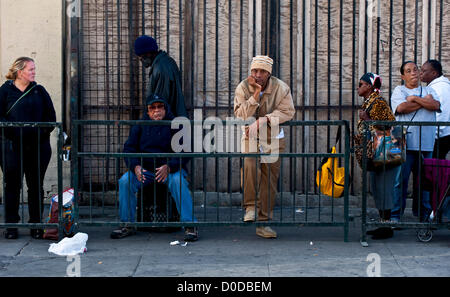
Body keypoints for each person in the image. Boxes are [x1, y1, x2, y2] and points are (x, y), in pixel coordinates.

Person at [110, 94, 198, 241]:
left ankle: (190, 225)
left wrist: (169, 167)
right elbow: (128, 149)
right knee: (125, 181)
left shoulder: (176, 125)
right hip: (146, 171)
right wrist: (135, 166)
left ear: (165, 108)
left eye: (160, 107)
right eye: (153, 108)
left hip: (170, 170)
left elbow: (186, 151)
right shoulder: (140, 125)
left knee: (178, 182)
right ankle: (127, 224)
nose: (157, 110)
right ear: (148, 111)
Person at [234, 55, 295, 239]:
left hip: (273, 137)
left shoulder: (281, 88)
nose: (257, 74)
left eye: (262, 71)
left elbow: (288, 112)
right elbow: (240, 115)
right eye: (254, 71)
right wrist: (254, 96)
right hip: (250, 135)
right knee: (250, 165)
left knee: (269, 180)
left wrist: (263, 119)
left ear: (269, 73)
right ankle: (250, 207)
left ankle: (264, 222)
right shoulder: (243, 87)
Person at [0, 57, 56, 239]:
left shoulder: (39, 91)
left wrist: (39, 132)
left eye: (34, 69)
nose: (34, 72)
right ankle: (11, 225)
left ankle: (35, 224)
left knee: (35, 186)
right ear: (19, 71)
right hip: (12, 147)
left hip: (37, 147)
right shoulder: (5, 91)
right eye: (30, 69)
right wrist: (13, 131)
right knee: (12, 185)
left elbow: (51, 118)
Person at [390, 61, 441, 222]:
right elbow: (401, 108)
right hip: (403, 143)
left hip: (425, 144)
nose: (413, 73)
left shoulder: (429, 89)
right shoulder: (399, 90)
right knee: (400, 182)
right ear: (403, 76)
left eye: (415, 69)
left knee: (425, 183)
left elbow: (435, 105)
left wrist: (414, 99)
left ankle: (424, 216)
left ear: (420, 73)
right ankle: (395, 216)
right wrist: (422, 101)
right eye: (408, 70)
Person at [356, 73, 398, 239]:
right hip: (375, 151)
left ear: (369, 86)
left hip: (384, 151)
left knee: (384, 188)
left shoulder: (378, 102)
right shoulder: (369, 101)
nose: (358, 87)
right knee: (377, 188)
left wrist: (368, 118)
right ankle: (382, 223)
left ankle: (386, 227)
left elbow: (390, 125)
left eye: (361, 84)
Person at [134, 35, 187, 118]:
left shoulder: (160, 68)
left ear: (147, 53)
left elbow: (159, 102)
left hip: (165, 122)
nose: (140, 59)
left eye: (140, 56)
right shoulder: (165, 62)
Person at [420, 59, 450, 159]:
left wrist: (434, 135)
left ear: (434, 73)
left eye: (424, 71)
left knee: (433, 169)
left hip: (439, 136)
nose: (420, 73)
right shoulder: (444, 85)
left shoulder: (437, 88)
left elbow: (442, 114)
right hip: (443, 134)